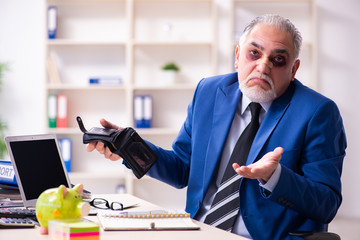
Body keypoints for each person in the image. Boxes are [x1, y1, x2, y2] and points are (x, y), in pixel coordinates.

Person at [86, 14, 347, 240]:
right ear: (237, 56)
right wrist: (128, 148)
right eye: (254, 53)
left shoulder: (317, 112)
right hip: (200, 231)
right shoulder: (209, 92)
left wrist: (275, 176)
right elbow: (182, 170)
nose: (263, 66)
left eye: (278, 60)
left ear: (293, 70)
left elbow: (326, 204)